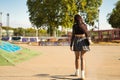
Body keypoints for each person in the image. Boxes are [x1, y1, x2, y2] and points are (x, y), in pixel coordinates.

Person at [70, 14, 90, 80]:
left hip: (76, 41)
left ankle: (77, 72)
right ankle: (82, 75)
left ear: (75, 20)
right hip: (83, 40)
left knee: (77, 58)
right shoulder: (84, 25)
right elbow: (87, 33)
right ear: (81, 19)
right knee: (82, 58)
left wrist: (71, 44)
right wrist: (88, 41)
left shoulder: (74, 26)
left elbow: (73, 35)